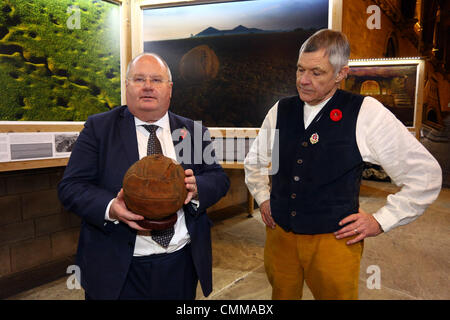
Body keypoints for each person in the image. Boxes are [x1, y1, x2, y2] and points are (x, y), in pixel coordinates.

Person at [244, 29, 442, 300]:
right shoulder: (280, 109)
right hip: (280, 237)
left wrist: (381, 220)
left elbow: (426, 175)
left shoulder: (366, 113)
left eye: (317, 73)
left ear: (341, 74)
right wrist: (263, 197)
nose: (303, 80)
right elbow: (254, 161)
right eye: (300, 69)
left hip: (334, 241)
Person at [58, 53, 230, 300]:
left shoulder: (191, 131)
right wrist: (111, 208)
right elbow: (71, 187)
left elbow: (218, 178)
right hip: (117, 268)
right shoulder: (100, 129)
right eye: (139, 79)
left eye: (156, 80)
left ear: (169, 89)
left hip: (180, 264)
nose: (148, 86)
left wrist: (197, 187)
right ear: (127, 86)